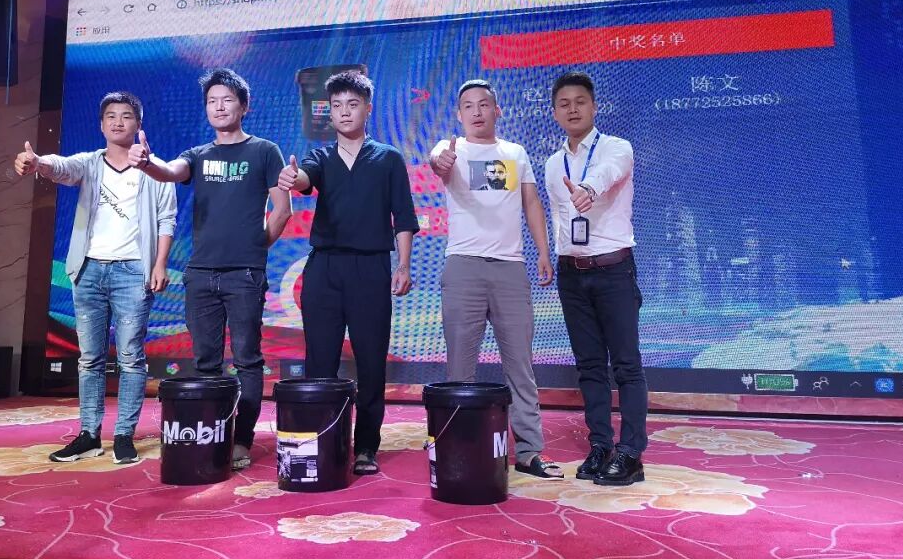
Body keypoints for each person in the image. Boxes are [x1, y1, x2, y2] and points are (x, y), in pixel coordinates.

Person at [128, 68, 290, 470]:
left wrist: (255, 248)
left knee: (248, 359)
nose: (219, 107)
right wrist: (147, 163)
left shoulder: (264, 151)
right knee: (205, 361)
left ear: (244, 106)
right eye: (212, 101)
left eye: (227, 100)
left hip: (245, 275)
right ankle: (212, 432)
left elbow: (282, 210)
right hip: (200, 274)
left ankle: (242, 439)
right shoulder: (198, 155)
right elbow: (170, 172)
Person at [14, 92, 176, 465]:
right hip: (88, 270)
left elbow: (167, 219)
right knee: (89, 359)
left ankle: (124, 435)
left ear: (138, 124)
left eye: (126, 116)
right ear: (101, 125)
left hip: (133, 271)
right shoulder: (89, 163)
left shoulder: (157, 170)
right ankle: (89, 435)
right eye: (111, 116)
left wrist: (160, 264)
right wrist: (38, 162)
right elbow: (61, 167)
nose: (118, 121)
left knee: (131, 357)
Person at [276, 70, 419, 476]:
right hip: (324, 268)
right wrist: (293, 178)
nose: (343, 112)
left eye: (352, 104)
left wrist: (403, 265)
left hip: (371, 268)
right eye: (336, 105)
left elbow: (404, 216)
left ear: (367, 109)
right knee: (320, 361)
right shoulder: (320, 157)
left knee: (371, 362)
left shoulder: (388, 158)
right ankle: (325, 441)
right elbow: (304, 179)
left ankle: (366, 446)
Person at [429, 79, 563, 480]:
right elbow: (438, 164)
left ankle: (529, 450)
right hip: (463, 267)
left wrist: (543, 252)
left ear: (497, 110)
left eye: (484, 104)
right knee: (460, 367)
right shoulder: (449, 147)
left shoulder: (515, 153)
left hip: (510, 268)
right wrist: (442, 162)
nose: (476, 111)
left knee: (520, 365)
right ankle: (460, 450)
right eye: (468, 105)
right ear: (459, 114)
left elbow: (531, 202)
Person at [545, 71, 647, 486]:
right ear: (555, 113)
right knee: (589, 366)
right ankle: (601, 446)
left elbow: (607, 173)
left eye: (580, 102)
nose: (573, 109)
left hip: (614, 271)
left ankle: (631, 453)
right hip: (572, 274)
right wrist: (553, 256)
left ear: (594, 106)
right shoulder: (553, 164)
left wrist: (587, 188)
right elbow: (559, 217)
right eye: (564, 103)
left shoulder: (617, 148)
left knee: (626, 365)